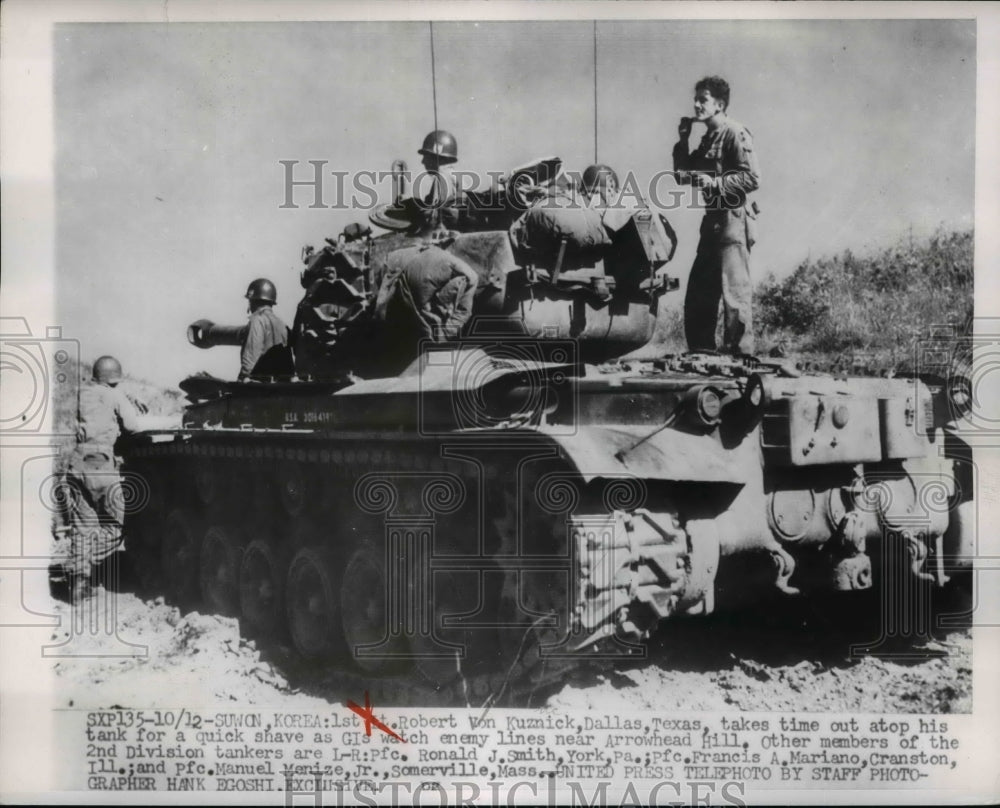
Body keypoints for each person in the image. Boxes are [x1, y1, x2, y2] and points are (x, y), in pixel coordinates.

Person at [673, 76, 760, 355]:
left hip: (732, 219)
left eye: (703, 99)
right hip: (711, 222)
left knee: (734, 293)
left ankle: (740, 357)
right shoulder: (707, 138)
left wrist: (717, 184)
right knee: (700, 291)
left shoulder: (735, 132)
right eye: (696, 99)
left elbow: (752, 178)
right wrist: (683, 141)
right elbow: (682, 176)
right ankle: (702, 354)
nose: (697, 104)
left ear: (720, 104)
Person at [61, 356, 142, 601]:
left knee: (83, 527)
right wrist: (127, 401)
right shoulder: (114, 395)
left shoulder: (82, 393)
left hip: (77, 464)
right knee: (117, 526)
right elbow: (133, 425)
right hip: (101, 464)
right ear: (114, 380)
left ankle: (78, 586)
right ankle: (83, 562)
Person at [240, 278, 293, 381]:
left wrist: (243, 378)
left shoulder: (257, 320)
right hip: (280, 386)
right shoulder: (282, 324)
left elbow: (251, 355)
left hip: (260, 388)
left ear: (252, 301)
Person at [416, 129, 462, 230]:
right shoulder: (453, 174)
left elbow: (433, 217)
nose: (423, 161)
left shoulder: (442, 176)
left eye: (426, 156)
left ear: (436, 157)